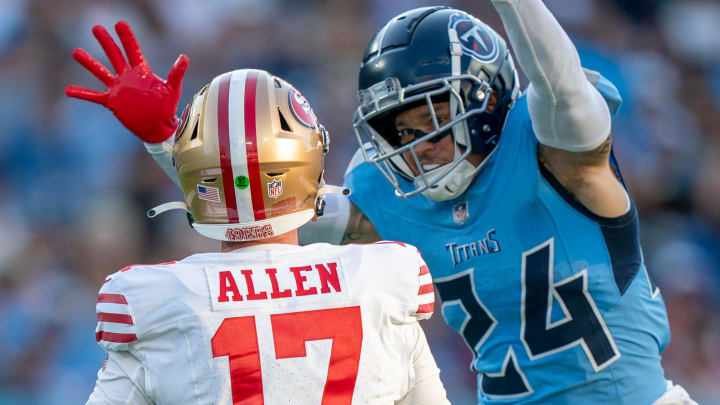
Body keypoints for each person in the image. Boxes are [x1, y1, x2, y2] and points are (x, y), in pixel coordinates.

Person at [66, 2, 696, 403]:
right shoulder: (390, 200)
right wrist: (166, 141)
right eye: (401, 125)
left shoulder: (556, 156)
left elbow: (560, 87)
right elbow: (260, 210)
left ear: (488, 94)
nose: (420, 141)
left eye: (435, 112)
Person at [69, 26, 450, 404]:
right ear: (310, 160)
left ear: (193, 180)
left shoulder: (163, 299)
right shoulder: (381, 280)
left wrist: (164, 141)